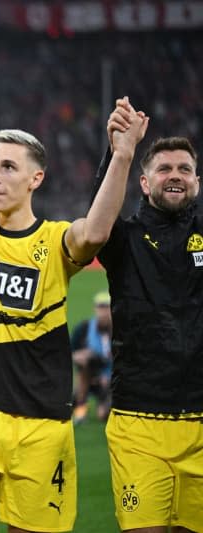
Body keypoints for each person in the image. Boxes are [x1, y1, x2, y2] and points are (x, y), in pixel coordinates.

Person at [0, 50, 147, 533]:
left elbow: (96, 232)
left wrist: (122, 157)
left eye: (9, 167)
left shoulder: (56, 241)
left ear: (36, 178)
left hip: (41, 426)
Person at [91, 127, 203, 531]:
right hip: (139, 421)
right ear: (144, 182)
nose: (175, 174)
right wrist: (117, 154)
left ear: (196, 182)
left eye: (185, 169)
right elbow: (96, 221)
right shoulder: (124, 240)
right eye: (164, 169)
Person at [70, 291, 112, 424]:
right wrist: (79, 356)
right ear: (95, 308)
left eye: (107, 308)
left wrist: (109, 376)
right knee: (86, 361)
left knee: (103, 415)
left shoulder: (121, 330)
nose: (104, 312)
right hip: (88, 375)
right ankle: (81, 409)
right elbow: (70, 352)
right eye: (101, 307)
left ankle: (103, 405)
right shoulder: (84, 328)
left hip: (111, 380)